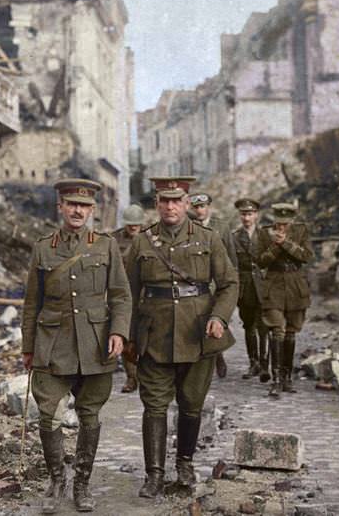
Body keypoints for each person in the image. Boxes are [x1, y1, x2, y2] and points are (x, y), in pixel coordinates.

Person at [21, 178, 132, 512]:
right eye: (72, 205)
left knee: (90, 415)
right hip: (52, 345)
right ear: (61, 207)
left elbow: (121, 295)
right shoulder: (44, 247)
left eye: (84, 206)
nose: (77, 211)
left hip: (96, 344)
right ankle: (57, 480)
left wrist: (119, 332)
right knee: (48, 415)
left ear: (92, 210)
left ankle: (82, 483)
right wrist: (28, 348)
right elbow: (31, 303)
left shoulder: (106, 245)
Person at [124, 176, 238, 498]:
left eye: (177, 200)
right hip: (154, 334)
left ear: (188, 204)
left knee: (191, 404)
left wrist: (218, 316)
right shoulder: (142, 243)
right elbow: (127, 292)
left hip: (197, 333)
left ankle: (185, 464)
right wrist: (128, 337)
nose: (170, 206)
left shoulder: (209, 238)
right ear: (156, 204)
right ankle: (154, 474)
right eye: (164, 200)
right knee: (154, 405)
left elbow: (229, 283)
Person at [253, 202, 314, 398]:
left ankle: (287, 377)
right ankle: (276, 379)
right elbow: (260, 261)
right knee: (276, 331)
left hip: (296, 285)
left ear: (292, 221)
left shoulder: (302, 231)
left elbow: (307, 256)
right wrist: (275, 247)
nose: (281, 227)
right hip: (274, 285)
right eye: (279, 223)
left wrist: (286, 243)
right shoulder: (264, 233)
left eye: (285, 224)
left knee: (290, 332)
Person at [188, 192, 238, 379]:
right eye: (196, 207)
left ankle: (218, 354)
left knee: (218, 317)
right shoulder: (189, 227)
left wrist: (231, 283)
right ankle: (212, 356)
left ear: (209, 207)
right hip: (199, 282)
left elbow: (231, 259)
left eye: (203, 207)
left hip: (218, 282)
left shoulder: (221, 227)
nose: (200, 211)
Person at [232, 198, 270, 381]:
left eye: (249, 214)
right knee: (249, 325)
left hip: (263, 285)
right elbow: (232, 264)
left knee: (264, 326)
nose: (246, 218)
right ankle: (253, 362)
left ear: (256, 215)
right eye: (243, 214)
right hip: (245, 286)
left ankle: (264, 365)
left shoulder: (265, 236)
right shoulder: (235, 237)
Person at [112, 203, 147, 392]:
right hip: (124, 295)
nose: (133, 228)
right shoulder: (114, 240)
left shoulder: (151, 237)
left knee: (148, 337)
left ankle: (148, 376)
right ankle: (131, 377)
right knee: (125, 337)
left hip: (147, 294)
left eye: (137, 225)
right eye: (130, 225)